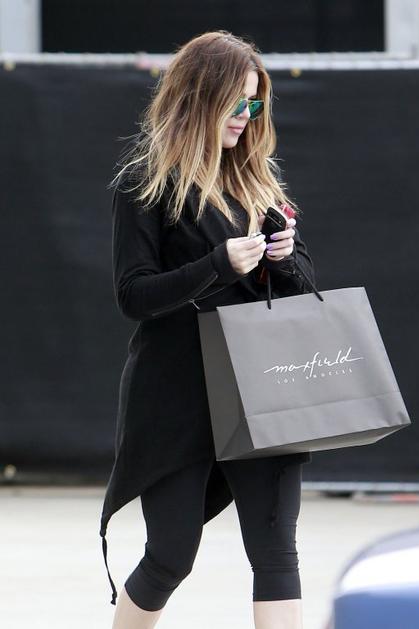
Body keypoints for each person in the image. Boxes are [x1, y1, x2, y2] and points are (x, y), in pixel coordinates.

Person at [100, 30, 317, 629]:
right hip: (179, 396)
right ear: (199, 96)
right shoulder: (146, 182)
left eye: (255, 102)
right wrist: (217, 264)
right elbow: (133, 295)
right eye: (236, 102)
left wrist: (284, 259)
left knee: (276, 552)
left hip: (263, 390)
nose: (247, 116)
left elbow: (304, 292)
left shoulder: (258, 180)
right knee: (170, 555)